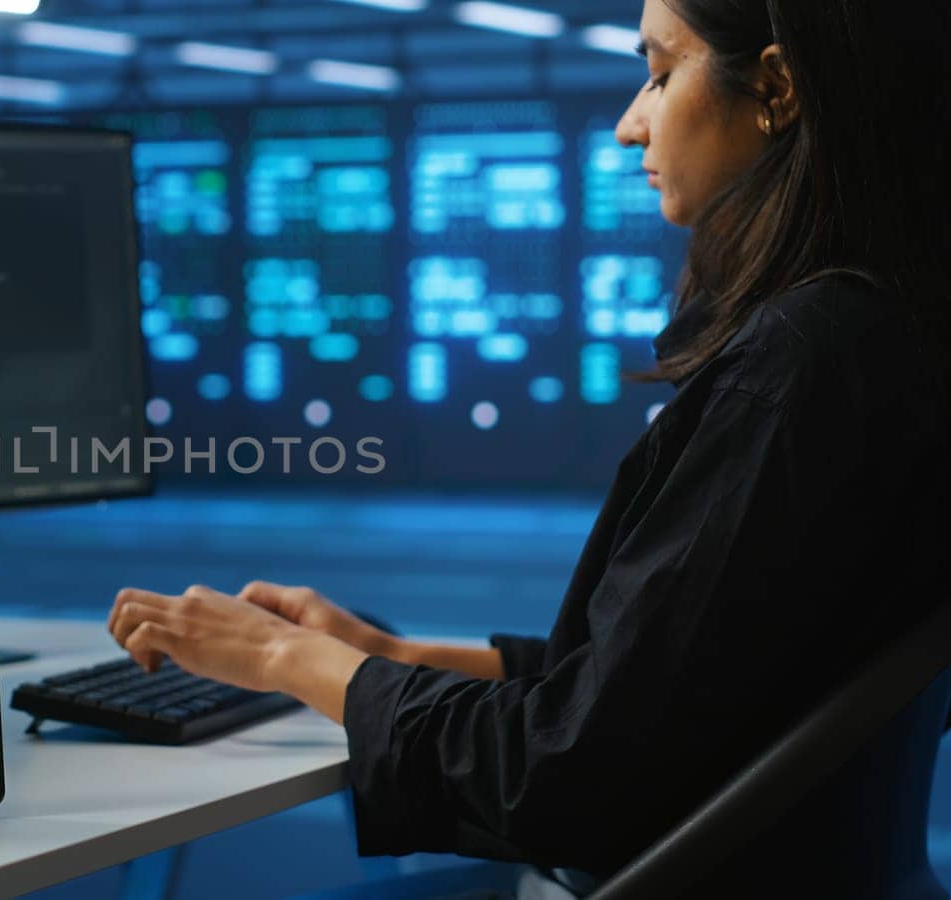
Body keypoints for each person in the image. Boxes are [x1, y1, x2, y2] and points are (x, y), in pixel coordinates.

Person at [106, 0, 951, 895]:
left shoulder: (795, 372)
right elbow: (663, 685)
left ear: (775, 88)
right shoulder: (880, 341)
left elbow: (562, 776)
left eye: (661, 74)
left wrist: (282, 659)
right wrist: (378, 655)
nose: (632, 123)